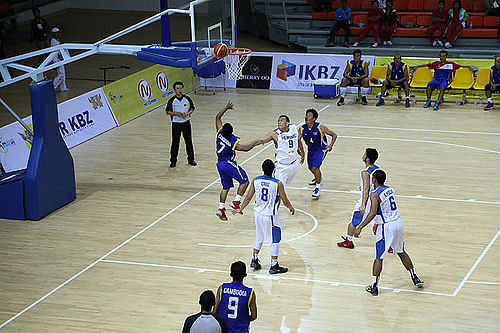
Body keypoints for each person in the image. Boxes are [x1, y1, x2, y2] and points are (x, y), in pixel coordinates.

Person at [353, 169, 424, 296]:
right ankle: (415, 277)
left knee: (379, 257)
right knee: (401, 251)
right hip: (398, 223)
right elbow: (384, 208)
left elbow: (373, 212)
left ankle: (374, 287)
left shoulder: (374, 194)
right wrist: (376, 222)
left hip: (387, 227)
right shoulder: (390, 189)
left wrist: (360, 227)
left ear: (374, 180)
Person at [233, 159, 295, 274]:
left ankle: (254, 259)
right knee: (276, 238)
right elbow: (285, 200)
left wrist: (241, 208)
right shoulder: (277, 183)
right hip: (269, 215)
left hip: (257, 213)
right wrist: (291, 207)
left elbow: (248, 197)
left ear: (262, 169)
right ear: (273, 170)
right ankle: (274, 265)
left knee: (259, 237)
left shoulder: (256, 180)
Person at [215, 102, 261, 221]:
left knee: (226, 187)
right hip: (227, 163)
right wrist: (255, 142)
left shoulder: (219, 132)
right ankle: (236, 201)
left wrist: (225, 108)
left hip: (219, 164)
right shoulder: (231, 141)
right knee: (244, 180)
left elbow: (217, 117)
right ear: (231, 133)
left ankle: (221, 209)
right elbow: (245, 148)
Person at [337, 148, 379, 249]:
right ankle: (390, 244)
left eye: (365, 154)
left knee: (354, 221)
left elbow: (366, 188)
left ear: (367, 159)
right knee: (378, 222)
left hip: (367, 200)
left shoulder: (365, 172)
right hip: (376, 199)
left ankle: (349, 241)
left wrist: (363, 204)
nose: (363, 155)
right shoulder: (378, 169)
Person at [411, 50, 475, 111]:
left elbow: (461, 66)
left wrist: (469, 67)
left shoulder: (451, 64)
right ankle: (428, 101)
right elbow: (427, 65)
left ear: (446, 56)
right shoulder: (436, 63)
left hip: (444, 80)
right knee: (429, 85)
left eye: (443, 56)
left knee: (442, 88)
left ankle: (437, 102)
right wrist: (417, 66)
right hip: (436, 80)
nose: (442, 57)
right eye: (441, 56)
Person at [298, 109, 337, 198]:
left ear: (314, 118)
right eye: (306, 115)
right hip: (310, 150)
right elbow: (298, 140)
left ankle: (317, 189)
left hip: (321, 149)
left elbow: (334, 135)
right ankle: (318, 178)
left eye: (309, 115)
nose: (306, 117)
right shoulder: (302, 129)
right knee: (311, 168)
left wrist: (330, 145)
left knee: (316, 167)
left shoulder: (320, 127)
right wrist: (302, 153)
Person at [258, 115, 304, 185]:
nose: (279, 122)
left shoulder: (293, 128)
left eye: (281, 121)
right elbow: (261, 140)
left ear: (287, 123)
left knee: (286, 184)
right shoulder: (275, 134)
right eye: (278, 121)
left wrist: (302, 153)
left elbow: (298, 139)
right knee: (279, 189)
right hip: (282, 167)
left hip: (294, 164)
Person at [214, 261, 257, 333]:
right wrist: (243, 320)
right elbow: (254, 316)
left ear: (231, 274)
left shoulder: (222, 288)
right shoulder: (250, 293)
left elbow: (214, 311)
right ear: (245, 275)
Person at [165, 81, 196, 168]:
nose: (179, 90)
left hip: (186, 123)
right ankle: (173, 161)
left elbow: (192, 108)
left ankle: (191, 159)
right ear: (174, 90)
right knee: (175, 143)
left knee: (188, 141)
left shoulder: (187, 99)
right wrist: (176, 113)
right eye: (177, 88)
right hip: (176, 124)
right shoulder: (172, 100)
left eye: (181, 88)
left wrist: (188, 113)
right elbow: (168, 112)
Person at [49, 27, 69, 92]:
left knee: (63, 73)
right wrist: (55, 61)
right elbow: (55, 51)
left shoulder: (56, 40)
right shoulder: (53, 41)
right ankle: (53, 86)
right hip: (56, 59)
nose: (58, 34)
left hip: (59, 58)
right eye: (57, 33)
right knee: (61, 74)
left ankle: (63, 87)